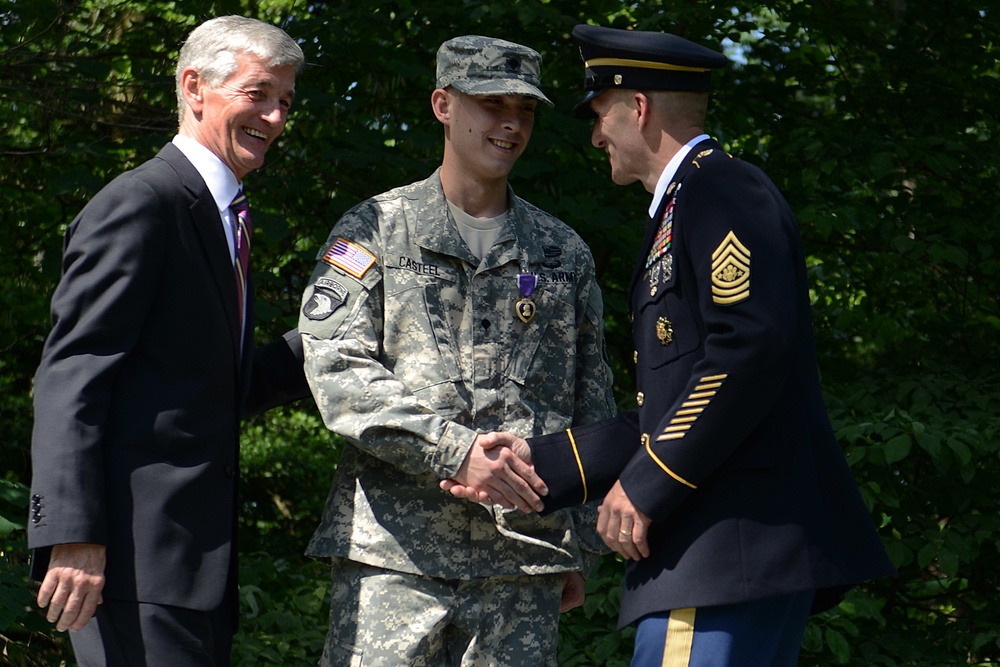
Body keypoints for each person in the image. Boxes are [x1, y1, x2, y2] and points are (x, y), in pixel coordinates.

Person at [445, 24, 896, 666]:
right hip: (726, 554)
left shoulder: (721, 190)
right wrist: (538, 464)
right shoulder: (683, 208)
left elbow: (748, 347)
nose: (596, 135)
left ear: (638, 108)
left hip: (722, 546)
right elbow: (676, 402)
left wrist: (651, 480)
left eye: (601, 114)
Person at [297, 34, 616, 666]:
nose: (510, 123)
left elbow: (591, 401)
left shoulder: (561, 252)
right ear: (443, 105)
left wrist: (576, 542)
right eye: (491, 103)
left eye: (524, 110)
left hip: (524, 561)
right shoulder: (376, 230)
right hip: (396, 557)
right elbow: (336, 369)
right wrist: (456, 451)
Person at [27, 16, 309, 666]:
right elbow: (73, 374)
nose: (274, 117)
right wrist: (71, 534)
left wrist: (333, 339)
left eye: (285, 102)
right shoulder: (142, 204)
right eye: (258, 94)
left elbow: (213, 392)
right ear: (195, 87)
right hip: (125, 569)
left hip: (190, 575)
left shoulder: (224, 221)